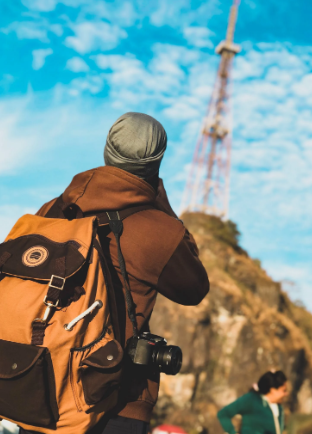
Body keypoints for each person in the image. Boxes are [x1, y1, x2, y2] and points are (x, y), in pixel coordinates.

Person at [20, 112, 209, 434]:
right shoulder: (158, 230)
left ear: (107, 152)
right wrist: (162, 203)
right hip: (116, 399)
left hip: (40, 386)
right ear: (156, 163)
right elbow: (194, 289)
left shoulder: (52, 211)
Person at [217, 370, 288, 434]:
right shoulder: (251, 399)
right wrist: (232, 432)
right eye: (283, 390)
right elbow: (223, 414)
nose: (286, 394)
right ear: (273, 390)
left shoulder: (279, 408)